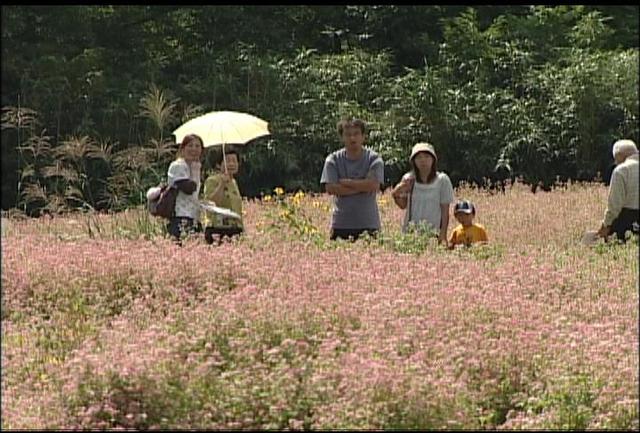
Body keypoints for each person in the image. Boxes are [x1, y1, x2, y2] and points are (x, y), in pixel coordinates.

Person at [320, 118, 384, 241]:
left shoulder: (374, 159)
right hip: (341, 225)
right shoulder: (332, 160)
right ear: (342, 137)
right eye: (348, 135)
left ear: (363, 136)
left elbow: (374, 185)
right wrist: (362, 186)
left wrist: (346, 183)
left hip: (369, 224)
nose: (352, 138)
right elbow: (331, 188)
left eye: (356, 134)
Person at [391, 142, 454, 244]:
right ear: (414, 161)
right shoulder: (409, 179)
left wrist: (443, 235)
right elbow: (403, 205)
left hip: (433, 234)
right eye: (419, 157)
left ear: (433, 160)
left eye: (426, 156)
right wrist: (396, 193)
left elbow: (445, 212)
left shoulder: (442, 180)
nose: (423, 161)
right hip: (411, 234)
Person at [597, 139, 639, 243]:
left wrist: (606, 225)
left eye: (615, 158)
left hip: (628, 221)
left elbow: (614, 206)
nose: (615, 162)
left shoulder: (621, 170)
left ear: (620, 155)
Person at [202, 147, 244, 245]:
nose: (231, 164)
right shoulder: (212, 180)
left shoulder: (234, 182)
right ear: (218, 164)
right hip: (217, 229)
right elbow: (211, 204)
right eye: (227, 161)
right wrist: (222, 184)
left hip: (235, 228)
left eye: (234, 161)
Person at [166, 134, 203, 242]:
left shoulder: (194, 166)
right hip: (180, 216)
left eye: (197, 146)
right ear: (183, 149)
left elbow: (194, 194)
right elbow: (188, 188)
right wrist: (194, 171)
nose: (194, 149)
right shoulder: (178, 165)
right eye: (190, 146)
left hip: (194, 216)